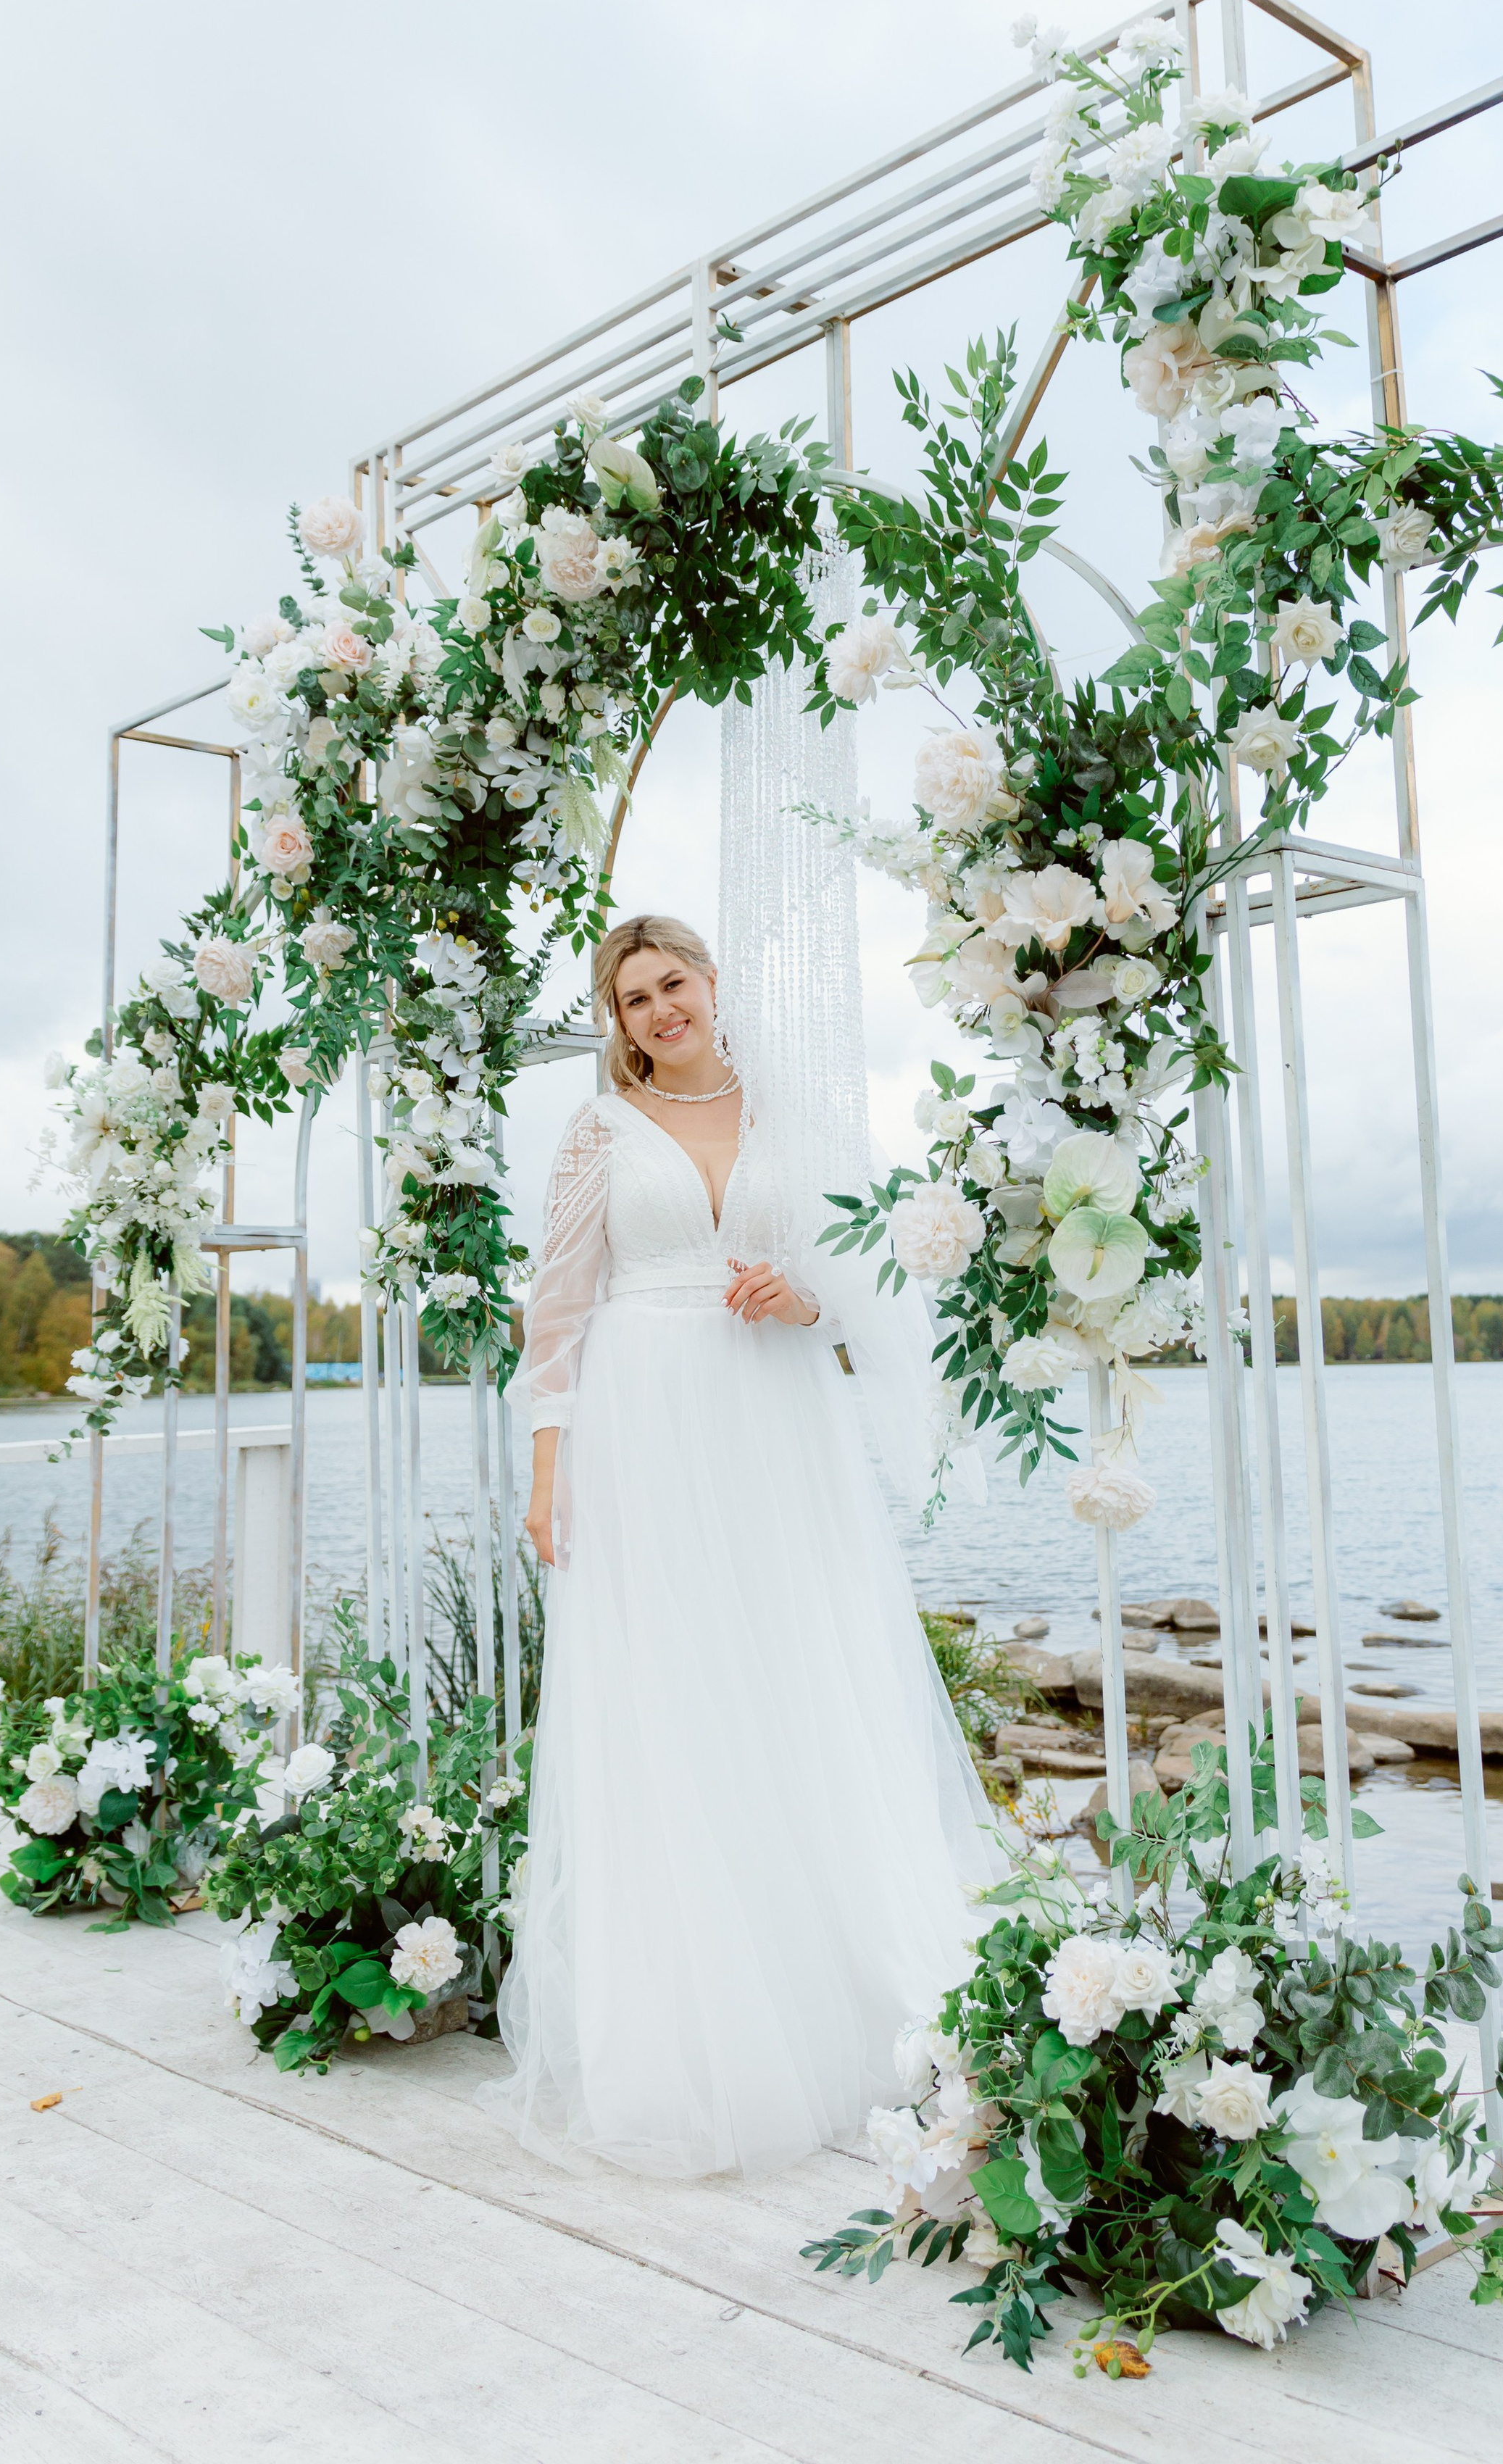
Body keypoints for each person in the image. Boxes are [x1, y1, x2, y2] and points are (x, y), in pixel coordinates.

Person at [478, 912, 999, 2180]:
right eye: (633, 997)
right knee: (673, 1694)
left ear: (713, 984)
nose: (659, 1009)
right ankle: (696, 2025)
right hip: (643, 1426)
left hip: (775, 1421)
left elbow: (857, 1274)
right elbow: (555, 1309)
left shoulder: (789, 1114)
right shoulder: (599, 1133)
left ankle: (837, 1992)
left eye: (674, 983)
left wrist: (802, 1295)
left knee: (796, 1672)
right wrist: (548, 1472)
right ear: (618, 1020)